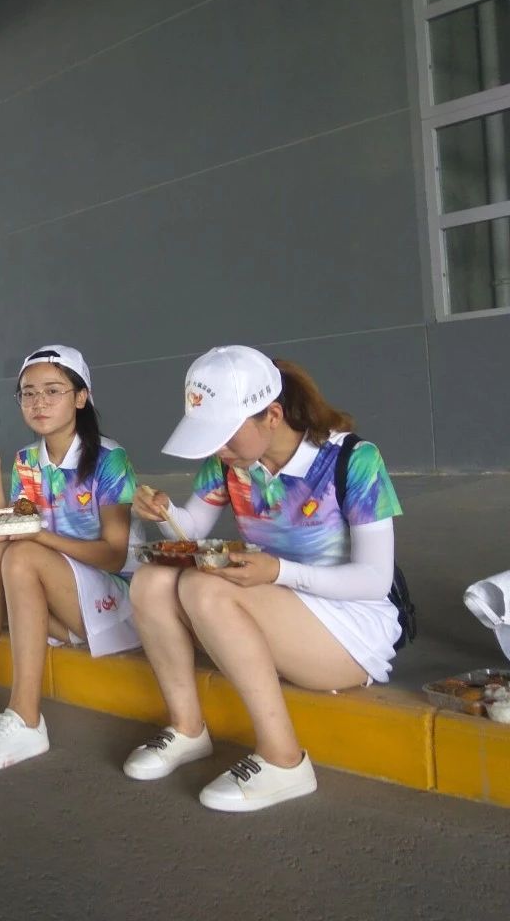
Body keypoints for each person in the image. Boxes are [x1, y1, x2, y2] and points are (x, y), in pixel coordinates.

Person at [122, 346, 402, 813]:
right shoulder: (229, 463)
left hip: (349, 631)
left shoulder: (352, 460)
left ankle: (284, 759)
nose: (218, 449)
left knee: (202, 587)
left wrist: (280, 571)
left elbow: (375, 580)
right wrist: (164, 512)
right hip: (273, 605)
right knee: (151, 579)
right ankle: (187, 728)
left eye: (224, 436)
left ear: (272, 415)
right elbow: (191, 530)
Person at [0, 345, 143, 771]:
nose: (39, 402)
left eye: (53, 391)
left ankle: (26, 717)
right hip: (60, 598)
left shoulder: (108, 459)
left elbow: (114, 556)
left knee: (20, 554)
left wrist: (39, 535)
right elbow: (11, 525)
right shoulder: (26, 460)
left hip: (115, 604)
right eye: (28, 393)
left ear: (81, 397)